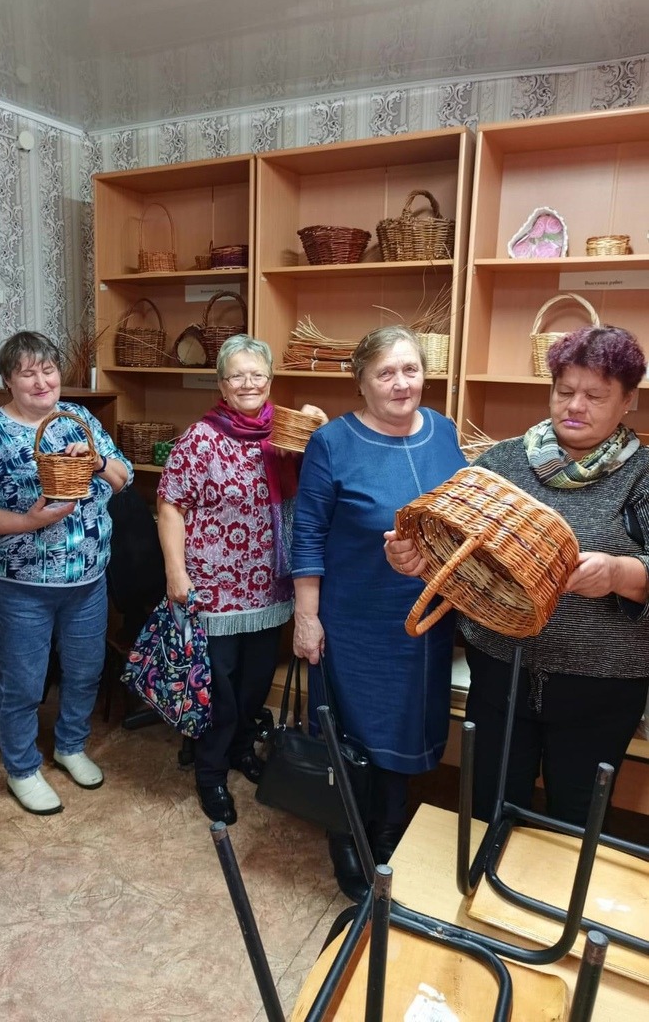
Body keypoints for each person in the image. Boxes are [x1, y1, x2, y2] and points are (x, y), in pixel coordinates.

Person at [385, 325, 649, 828]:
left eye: (595, 396)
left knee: (575, 816)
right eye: (564, 391)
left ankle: (555, 881)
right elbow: (463, 557)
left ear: (628, 400)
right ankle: (487, 875)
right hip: (500, 670)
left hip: (600, 685)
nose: (575, 406)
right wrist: (417, 560)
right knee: (492, 803)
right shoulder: (504, 462)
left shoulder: (643, 476)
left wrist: (619, 573)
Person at [292, 326, 467, 901]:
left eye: (411, 370)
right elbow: (308, 535)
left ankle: (389, 829)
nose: (401, 383)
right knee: (350, 728)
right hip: (353, 619)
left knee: (405, 722)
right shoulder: (332, 443)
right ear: (361, 383)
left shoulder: (443, 431)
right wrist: (307, 617)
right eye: (385, 373)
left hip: (423, 621)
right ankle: (346, 834)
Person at [157, 334, 326, 826]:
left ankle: (239, 749)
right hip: (214, 587)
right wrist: (175, 572)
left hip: (269, 585)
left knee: (255, 682)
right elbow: (170, 505)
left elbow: (324, 473)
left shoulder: (286, 433)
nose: (248, 383)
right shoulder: (201, 438)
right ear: (222, 385)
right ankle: (210, 771)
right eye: (237, 375)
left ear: (270, 381)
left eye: (257, 374)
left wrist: (319, 427)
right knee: (220, 689)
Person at [0, 331, 132, 815]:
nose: (41, 382)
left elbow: (123, 478)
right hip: (22, 585)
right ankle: (21, 768)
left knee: (84, 671)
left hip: (88, 579)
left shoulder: (79, 419)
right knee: (22, 682)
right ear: (8, 381)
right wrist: (29, 522)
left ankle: (70, 746)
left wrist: (97, 462)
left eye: (48, 370)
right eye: (27, 373)